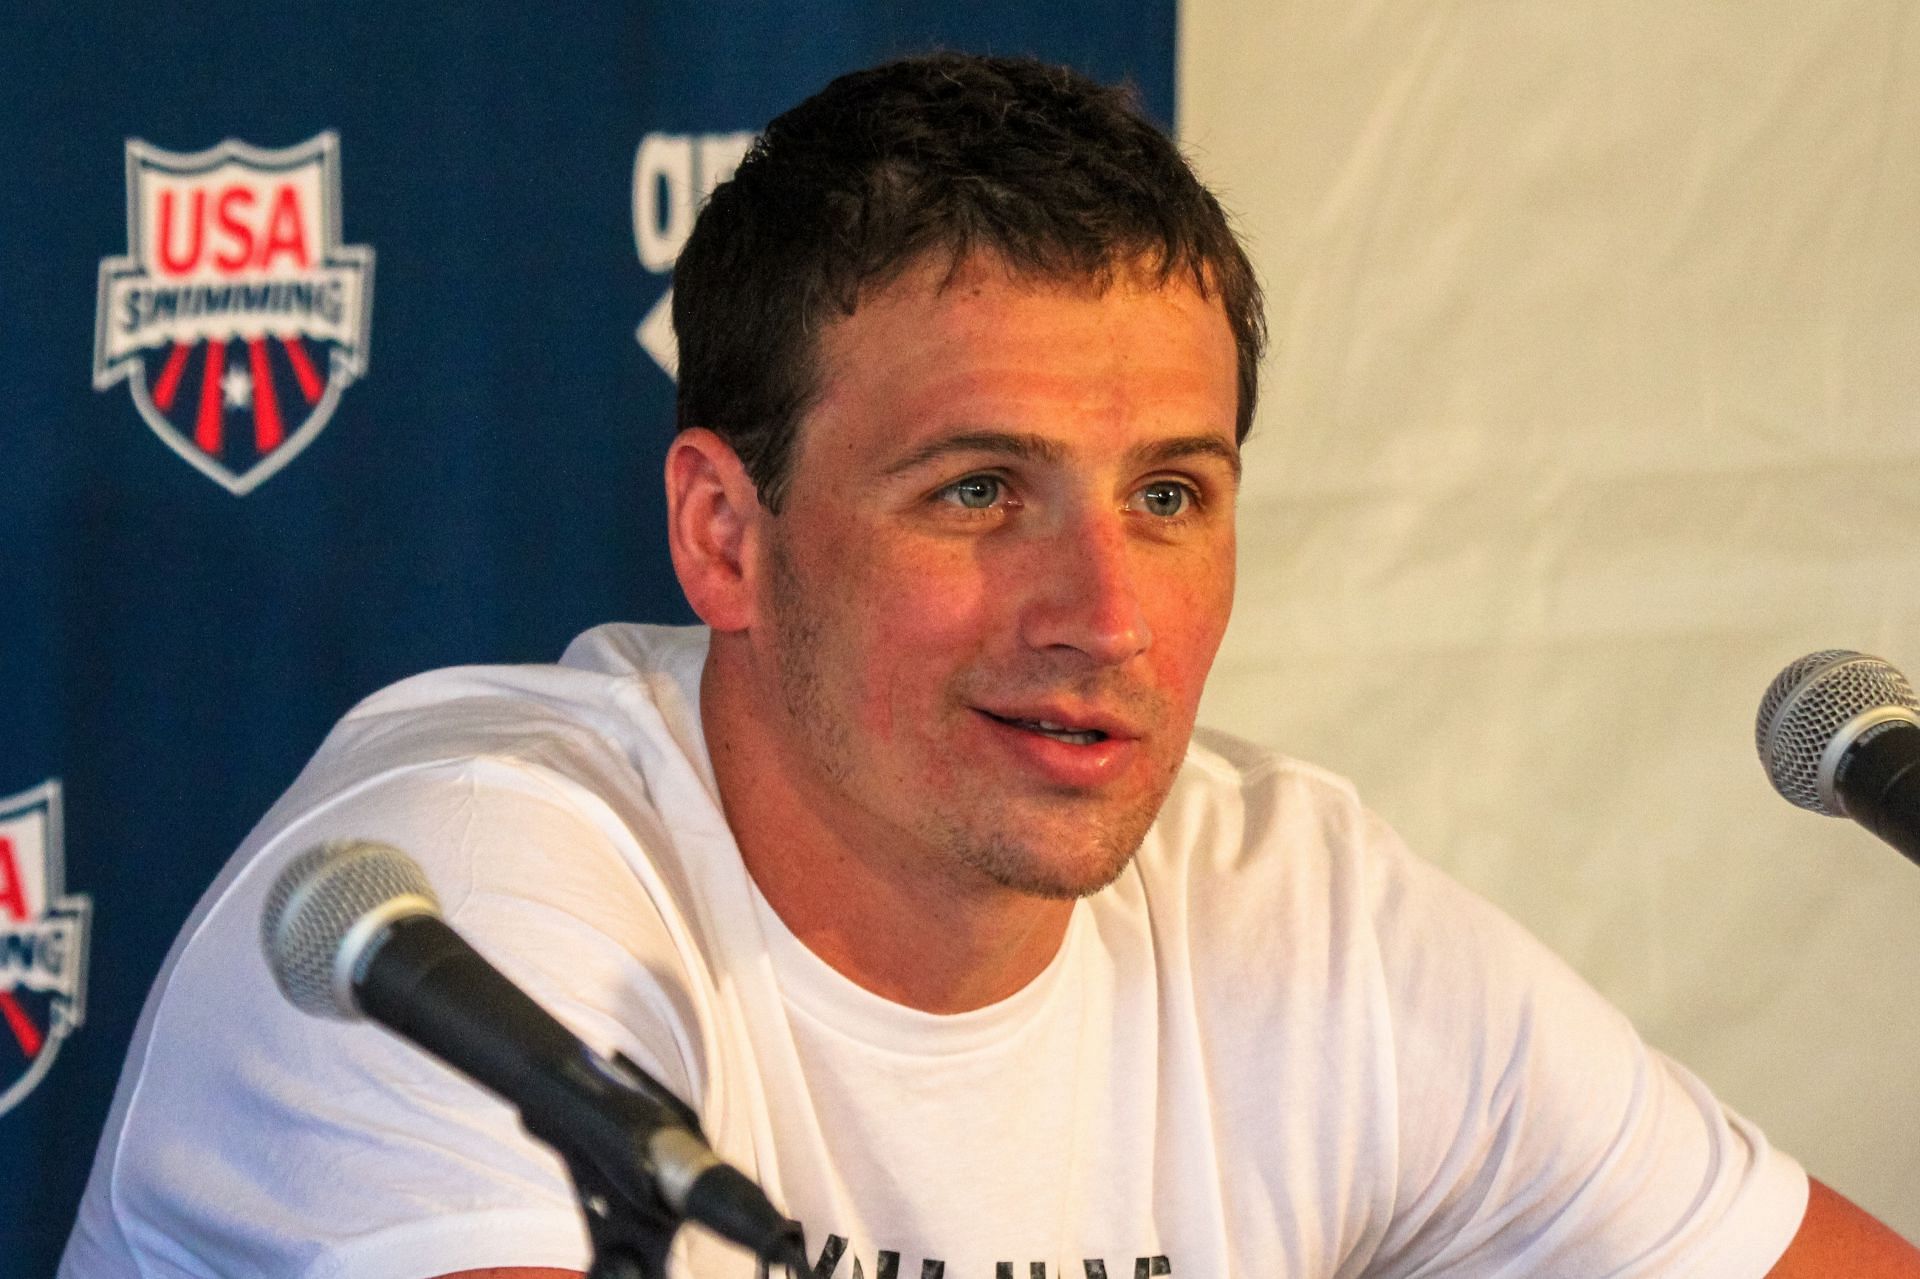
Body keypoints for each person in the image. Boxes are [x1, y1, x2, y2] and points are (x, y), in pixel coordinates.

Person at [60, 52, 1918, 1279]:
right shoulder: (473, 891)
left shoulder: (1298, 914)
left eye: (1172, 492)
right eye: (977, 491)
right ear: (726, 533)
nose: (1103, 612)